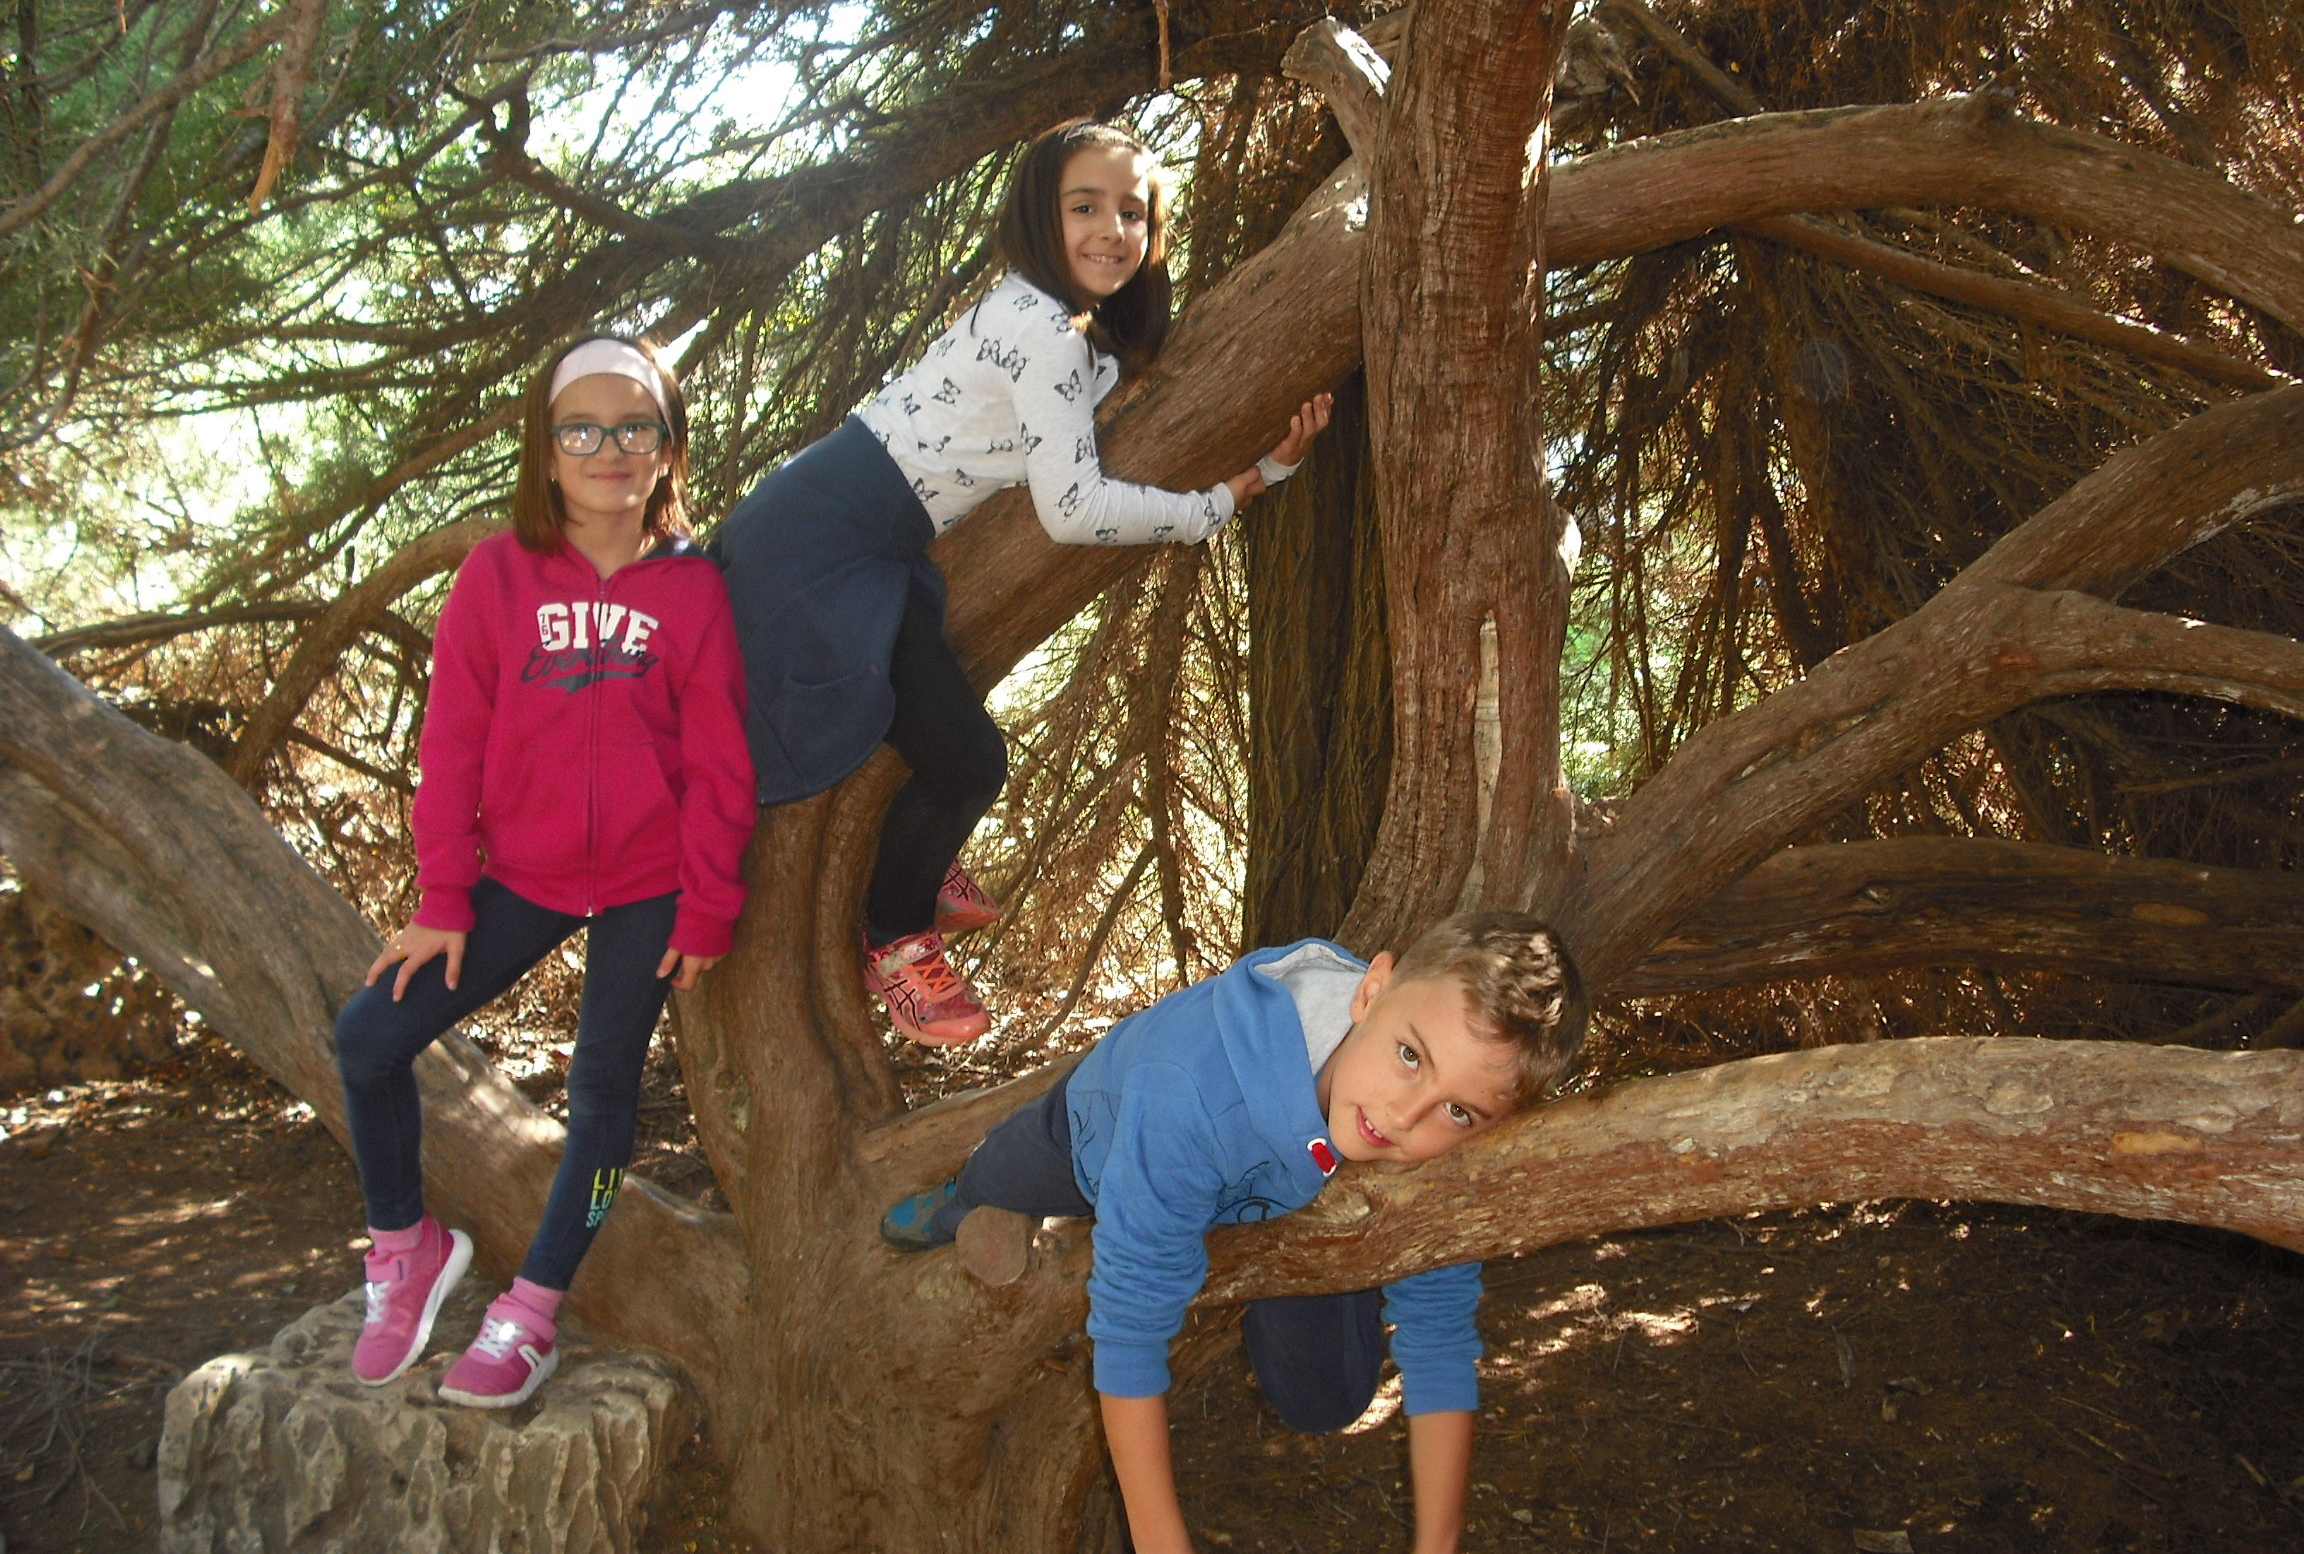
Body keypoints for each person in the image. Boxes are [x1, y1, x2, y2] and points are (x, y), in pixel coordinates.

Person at [713, 117, 1330, 1047]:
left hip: (854, 528)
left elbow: (1120, 429)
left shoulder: (1061, 325)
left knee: (940, 740)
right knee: (967, 758)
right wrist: (1211, 508)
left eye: (1133, 212)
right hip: (816, 543)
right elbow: (1073, 507)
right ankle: (894, 937)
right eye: (1085, 207)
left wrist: (1268, 466)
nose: (1112, 231)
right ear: (1040, 214)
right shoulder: (1042, 328)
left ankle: (913, 871)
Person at [881, 911, 1589, 1554]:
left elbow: (1438, 1331)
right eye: (1411, 1056)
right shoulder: (1190, 1090)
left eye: (1458, 1112)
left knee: (1325, 1399)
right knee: (1006, 1172)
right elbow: (1131, 1321)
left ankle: (1244, 1214)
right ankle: (959, 1198)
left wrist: (1439, 1544)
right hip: (1101, 1131)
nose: (1406, 1116)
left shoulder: (1399, 1120)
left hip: (1276, 1196)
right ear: (1372, 991)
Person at [333, 333, 755, 1410]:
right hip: (519, 878)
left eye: (635, 428)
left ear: (668, 448)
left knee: (601, 1099)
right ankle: (406, 1249)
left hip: (652, 883)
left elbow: (721, 760)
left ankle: (531, 1312)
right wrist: (443, 895)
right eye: (583, 431)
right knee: (369, 1037)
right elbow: (451, 743)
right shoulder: (498, 573)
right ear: (546, 451)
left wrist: (707, 903)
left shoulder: (694, 588)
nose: (610, 450)